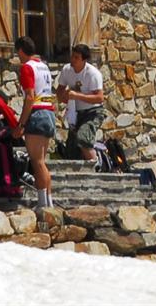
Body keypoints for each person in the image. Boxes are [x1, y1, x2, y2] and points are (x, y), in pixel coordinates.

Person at [14, 36, 58, 208]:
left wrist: (21, 124)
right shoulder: (44, 66)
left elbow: (30, 96)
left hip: (37, 113)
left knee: (37, 162)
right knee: (42, 162)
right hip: (49, 112)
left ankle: (43, 203)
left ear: (20, 51)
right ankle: (48, 202)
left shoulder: (27, 68)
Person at [55, 43, 105, 160]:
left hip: (93, 112)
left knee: (83, 138)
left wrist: (77, 96)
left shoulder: (93, 74)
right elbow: (59, 91)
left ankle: (96, 166)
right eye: (72, 56)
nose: (73, 59)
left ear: (84, 60)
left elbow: (99, 98)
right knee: (71, 150)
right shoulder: (67, 70)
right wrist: (65, 97)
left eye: (76, 57)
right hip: (75, 113)